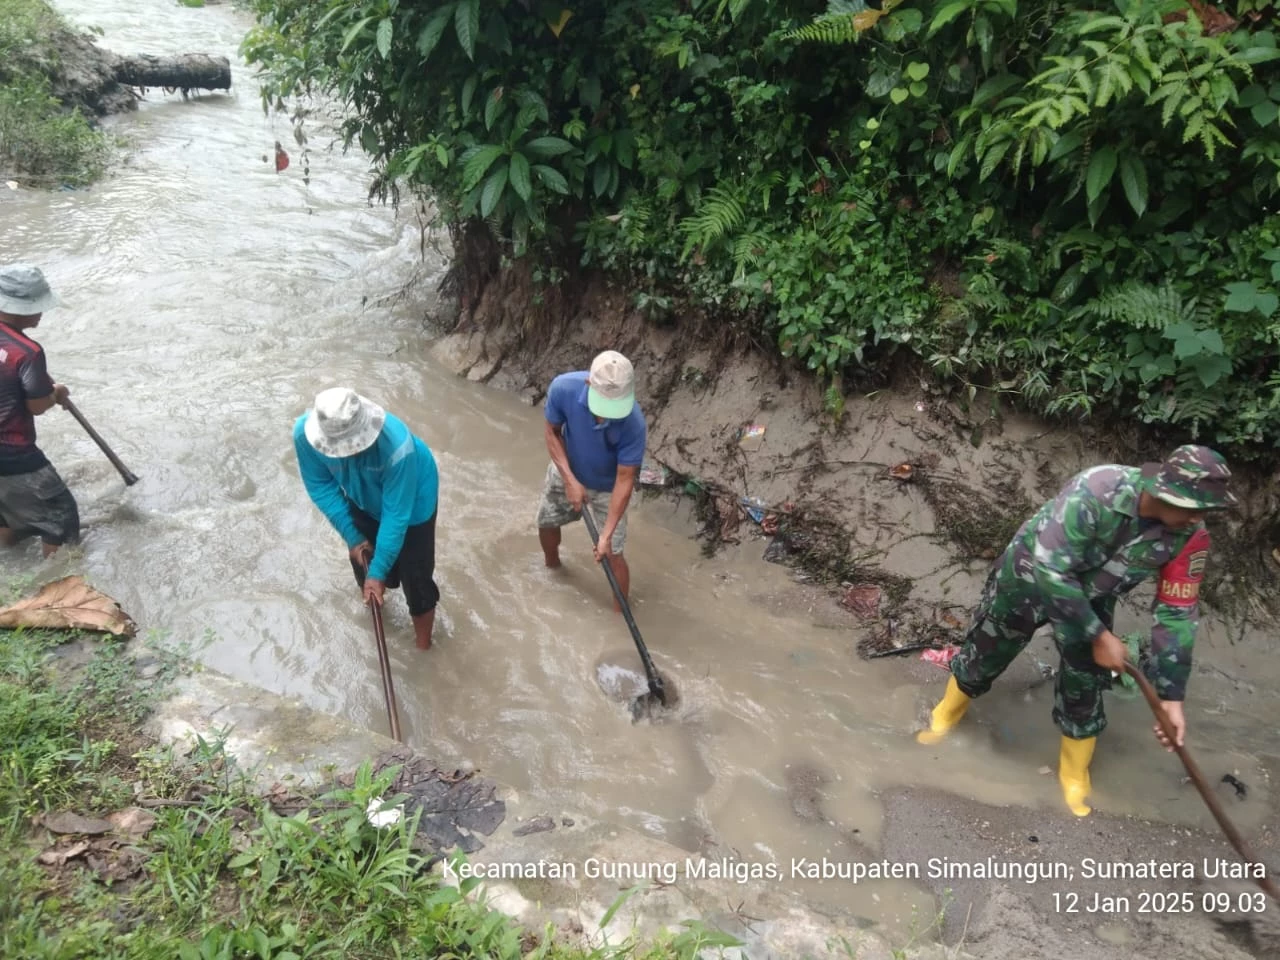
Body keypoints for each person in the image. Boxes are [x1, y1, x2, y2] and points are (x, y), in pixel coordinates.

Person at [915, 444, 1236, 818]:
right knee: (988, 648)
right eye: (1194, 508)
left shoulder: (1190, 536)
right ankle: (945, 717)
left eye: (1206, 510)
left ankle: (1073, 774)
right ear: (1164, 491)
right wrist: (1100, 636)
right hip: (1030, 574)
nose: (1199, 518)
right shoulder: (1098, 489)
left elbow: (1177, 613)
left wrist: (1171, 697)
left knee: (1086, 680)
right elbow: (1052, 569)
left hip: (1095, 594)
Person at [293, 387, 441, 650]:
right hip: (360, 493)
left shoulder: (398, 449)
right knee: (364, 559)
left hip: (413, 499)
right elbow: (320, 486)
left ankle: (423, 648)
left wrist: (380, 570)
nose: (347, 454)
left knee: (416, 580)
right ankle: (376, 614)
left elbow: (396, 516)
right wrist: (353, 537)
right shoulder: (304, 436)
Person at [537, 350, 647, 608]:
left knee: (613, 553)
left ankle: (619, 613)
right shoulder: (563, 388)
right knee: (546, 522)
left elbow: (625, 479)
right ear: (589, 384)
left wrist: (606, 535)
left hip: (609, 487)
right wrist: (569, 479)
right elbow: (551, 432)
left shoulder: (634, 424)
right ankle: (553, 568)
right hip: (568, 467)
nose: (609, 414)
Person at [0, 264, 79, 558]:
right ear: (22, 309)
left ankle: (9, 566)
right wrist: (55, 394)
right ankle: (58, 586)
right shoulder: (27, 351)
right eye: (38, 306)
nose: (42, 313)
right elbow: (36, 405)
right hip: (12, 451)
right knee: (62, 515)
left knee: (6, 512)